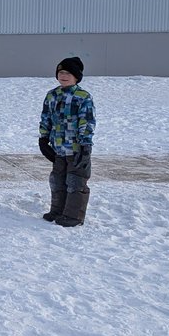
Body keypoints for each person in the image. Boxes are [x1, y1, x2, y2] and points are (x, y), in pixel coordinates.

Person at [38, 56, 96, 227]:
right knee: (57, 180)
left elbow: (87, 121)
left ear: (76, 76)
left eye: (68, 73)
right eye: (61, 72)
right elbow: (46, 118)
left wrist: (85, 146)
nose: (63, 76)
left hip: (76, 149)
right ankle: (58, 210)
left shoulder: (82, 97)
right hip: (58, 149)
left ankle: (73, 216)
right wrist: (43, 139)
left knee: (75, 181)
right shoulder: (52, 95)